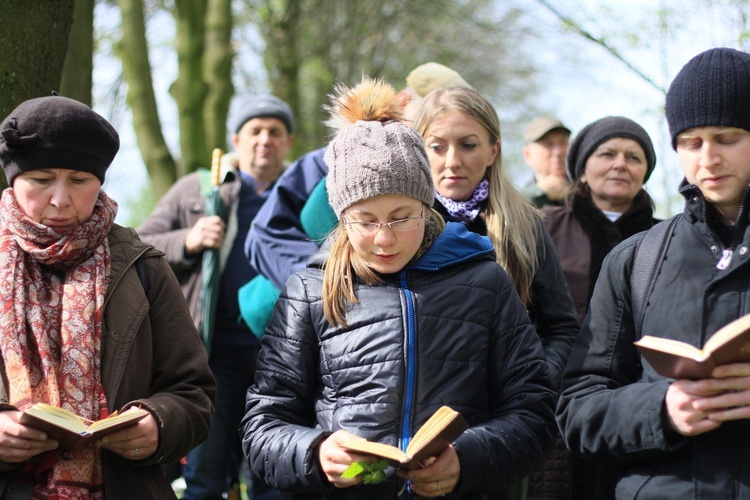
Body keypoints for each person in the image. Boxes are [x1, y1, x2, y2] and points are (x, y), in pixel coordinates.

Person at [241, 77, 557, 498]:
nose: (384, 238)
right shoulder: (308, 291)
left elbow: (533, 414)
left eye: (402, 216)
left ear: (428, 208)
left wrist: (468, 459)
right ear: (340, 217)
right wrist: (314, 453)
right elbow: (263, 425)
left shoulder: (486, 282)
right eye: (365, 221)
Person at [557, 46, 750, 498]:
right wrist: (661, 408)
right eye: (690, 142)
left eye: (727, 138)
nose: (708, 158)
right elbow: (578, 410)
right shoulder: (635, 259)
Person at [0, 95, 215, 499]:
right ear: (14, 180)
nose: (60, 199)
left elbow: (194, 393)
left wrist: (159, 425)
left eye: (79, 181)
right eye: (42, 179)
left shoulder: (143, 267)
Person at [138, 94, 294, 500]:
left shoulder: (303, 193)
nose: (265, 140)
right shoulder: (199, 187)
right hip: (214, 354)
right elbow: (138, 245)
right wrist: (188, 240)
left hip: (285, 354)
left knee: (273, 475)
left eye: (274, 132)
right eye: (255, 131)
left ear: (289, 142)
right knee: (205, 475)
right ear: (236, 141)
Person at [242, 64, 472, 336]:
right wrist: (324, 284)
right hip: (298, 324)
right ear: (406, 102)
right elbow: (263, 235)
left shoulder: (445, 171)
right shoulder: (336, 157)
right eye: (432, 110)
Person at [412, 87, 579, 389]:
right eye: (437, 147)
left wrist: (538, 385)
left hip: (511, 409)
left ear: (492, 151)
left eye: (468, 145)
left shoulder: (525, 224)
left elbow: (561, 327)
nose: (452, 161)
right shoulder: (402, 224)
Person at [544, 116, 659, 323]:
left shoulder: (666, 237)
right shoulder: (546, 226)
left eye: (633, 157)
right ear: (582, 172)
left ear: (645, 174)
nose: (620, 165)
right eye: (607, 154)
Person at [521, 116, 572, 208]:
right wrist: (539, 193)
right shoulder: (516, 200)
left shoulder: (588, 189)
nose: (558, 152)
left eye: (563, 143)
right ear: (527, 155)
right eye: (548, 144)